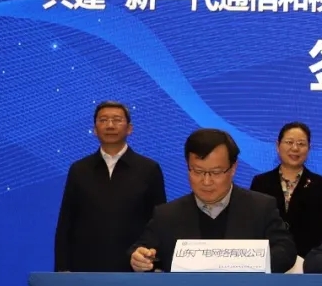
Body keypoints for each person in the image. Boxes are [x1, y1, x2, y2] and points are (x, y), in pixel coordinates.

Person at [130, 129, 296, 273]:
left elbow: (286, 251)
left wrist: (247, 263)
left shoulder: (261, 207)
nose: (206, 181)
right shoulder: (167, 215)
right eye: (197, 171)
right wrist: (140, 259)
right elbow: (140, 250)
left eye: (216, 172)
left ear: (233, 168)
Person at [54, 101, 166, 272]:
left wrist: (156, 265)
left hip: (135, 268)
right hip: (85, 268)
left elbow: (158, 222)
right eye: (103, 120)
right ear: (94, 129)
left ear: (130, 128)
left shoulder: (148, 169)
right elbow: (66, 222)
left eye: (117, 120)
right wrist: (62, 268)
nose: (110, 125)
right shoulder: (79, 169)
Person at [249, 122, 322, 259]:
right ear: (278, 146)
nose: (295, 148)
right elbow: (254, 224)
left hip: (306, 260)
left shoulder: (320, 184)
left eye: (301, 144)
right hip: (268, 259)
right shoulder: (260, 182)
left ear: (309, 148)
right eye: (289, 142)